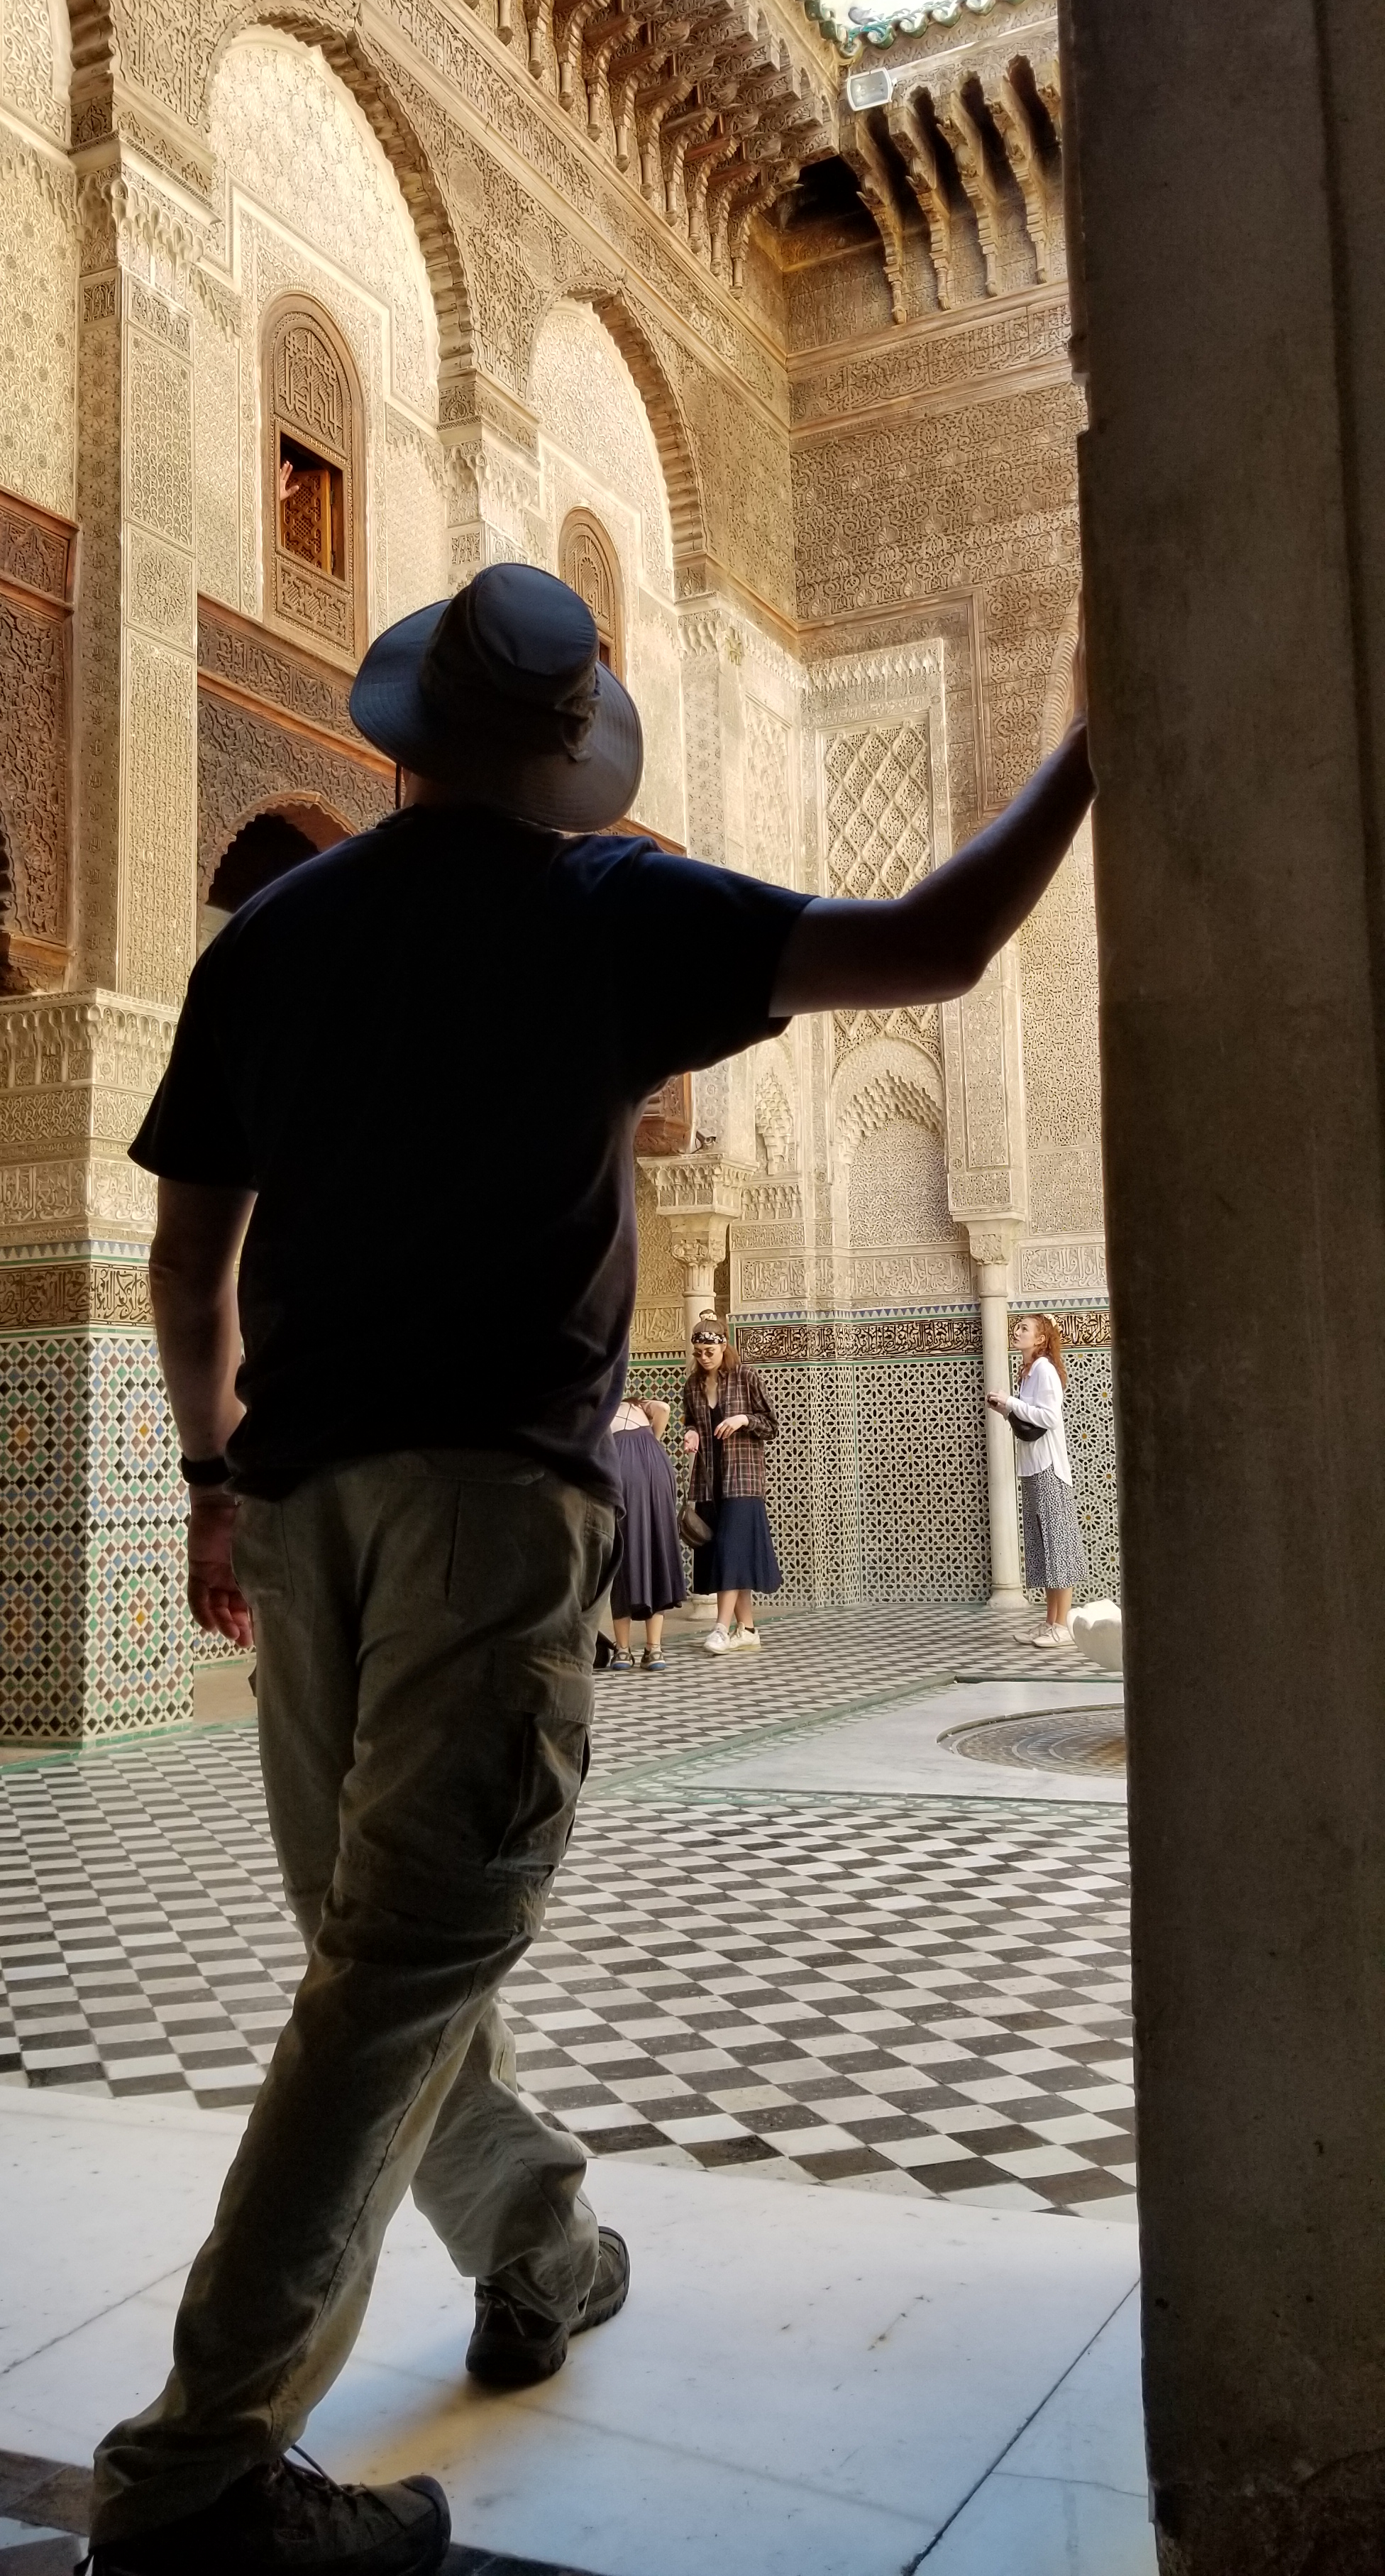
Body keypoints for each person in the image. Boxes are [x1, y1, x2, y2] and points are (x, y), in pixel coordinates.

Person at [83, 561, 1093, 2576]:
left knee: (386, 1942)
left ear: (402, 738)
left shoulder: (273, 938)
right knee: (407, 1957)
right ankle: (196, 2474)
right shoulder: (606, 907)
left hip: (294, 1504)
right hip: (481, 1509)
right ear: (568, 751)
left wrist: (210, 1481)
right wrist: (1088, 748)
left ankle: (537, 2250)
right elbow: (937, 940)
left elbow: (193, 1268)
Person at [988, 1310, 1088, 1646]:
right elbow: (1028, 1421)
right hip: (1032, 1468)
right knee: (1043, 1546)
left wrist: (1011, 1402)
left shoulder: (1044, 1369)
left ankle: (1063, 1626)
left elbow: (1049, 1418)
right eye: (1017, 1327)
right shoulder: (1028, 1373)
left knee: (1057, 1545)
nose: (1017, 1331)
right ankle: (1049, 1622)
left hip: (1049, 1469)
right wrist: (1006, 1408)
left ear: (1041, 1338)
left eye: (1025, 1328)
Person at [682, 1324, 780, 1653]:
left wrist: (744, 1420)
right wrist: (692, 1433)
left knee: (730, 1552)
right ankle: (747, 1629)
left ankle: (721, 1629)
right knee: (728, 1555)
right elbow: (691, 1421)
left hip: (743, 1480)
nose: (704, 1358)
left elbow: (772, 1425)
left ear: (724, 1346)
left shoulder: (745, 1377)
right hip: (709, 1482)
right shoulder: (693, 1385)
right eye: (698, 1353)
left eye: (709, 1351)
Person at [607, 1394, 684, 1670]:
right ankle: (654, 1650)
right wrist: (654, 1439)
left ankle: (622, 1651)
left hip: (622, 1471)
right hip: (656, 1468)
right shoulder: (638, 1406)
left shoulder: (601, 1407)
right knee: (656, 1551)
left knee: (622, 1556)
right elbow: (664, 1407)